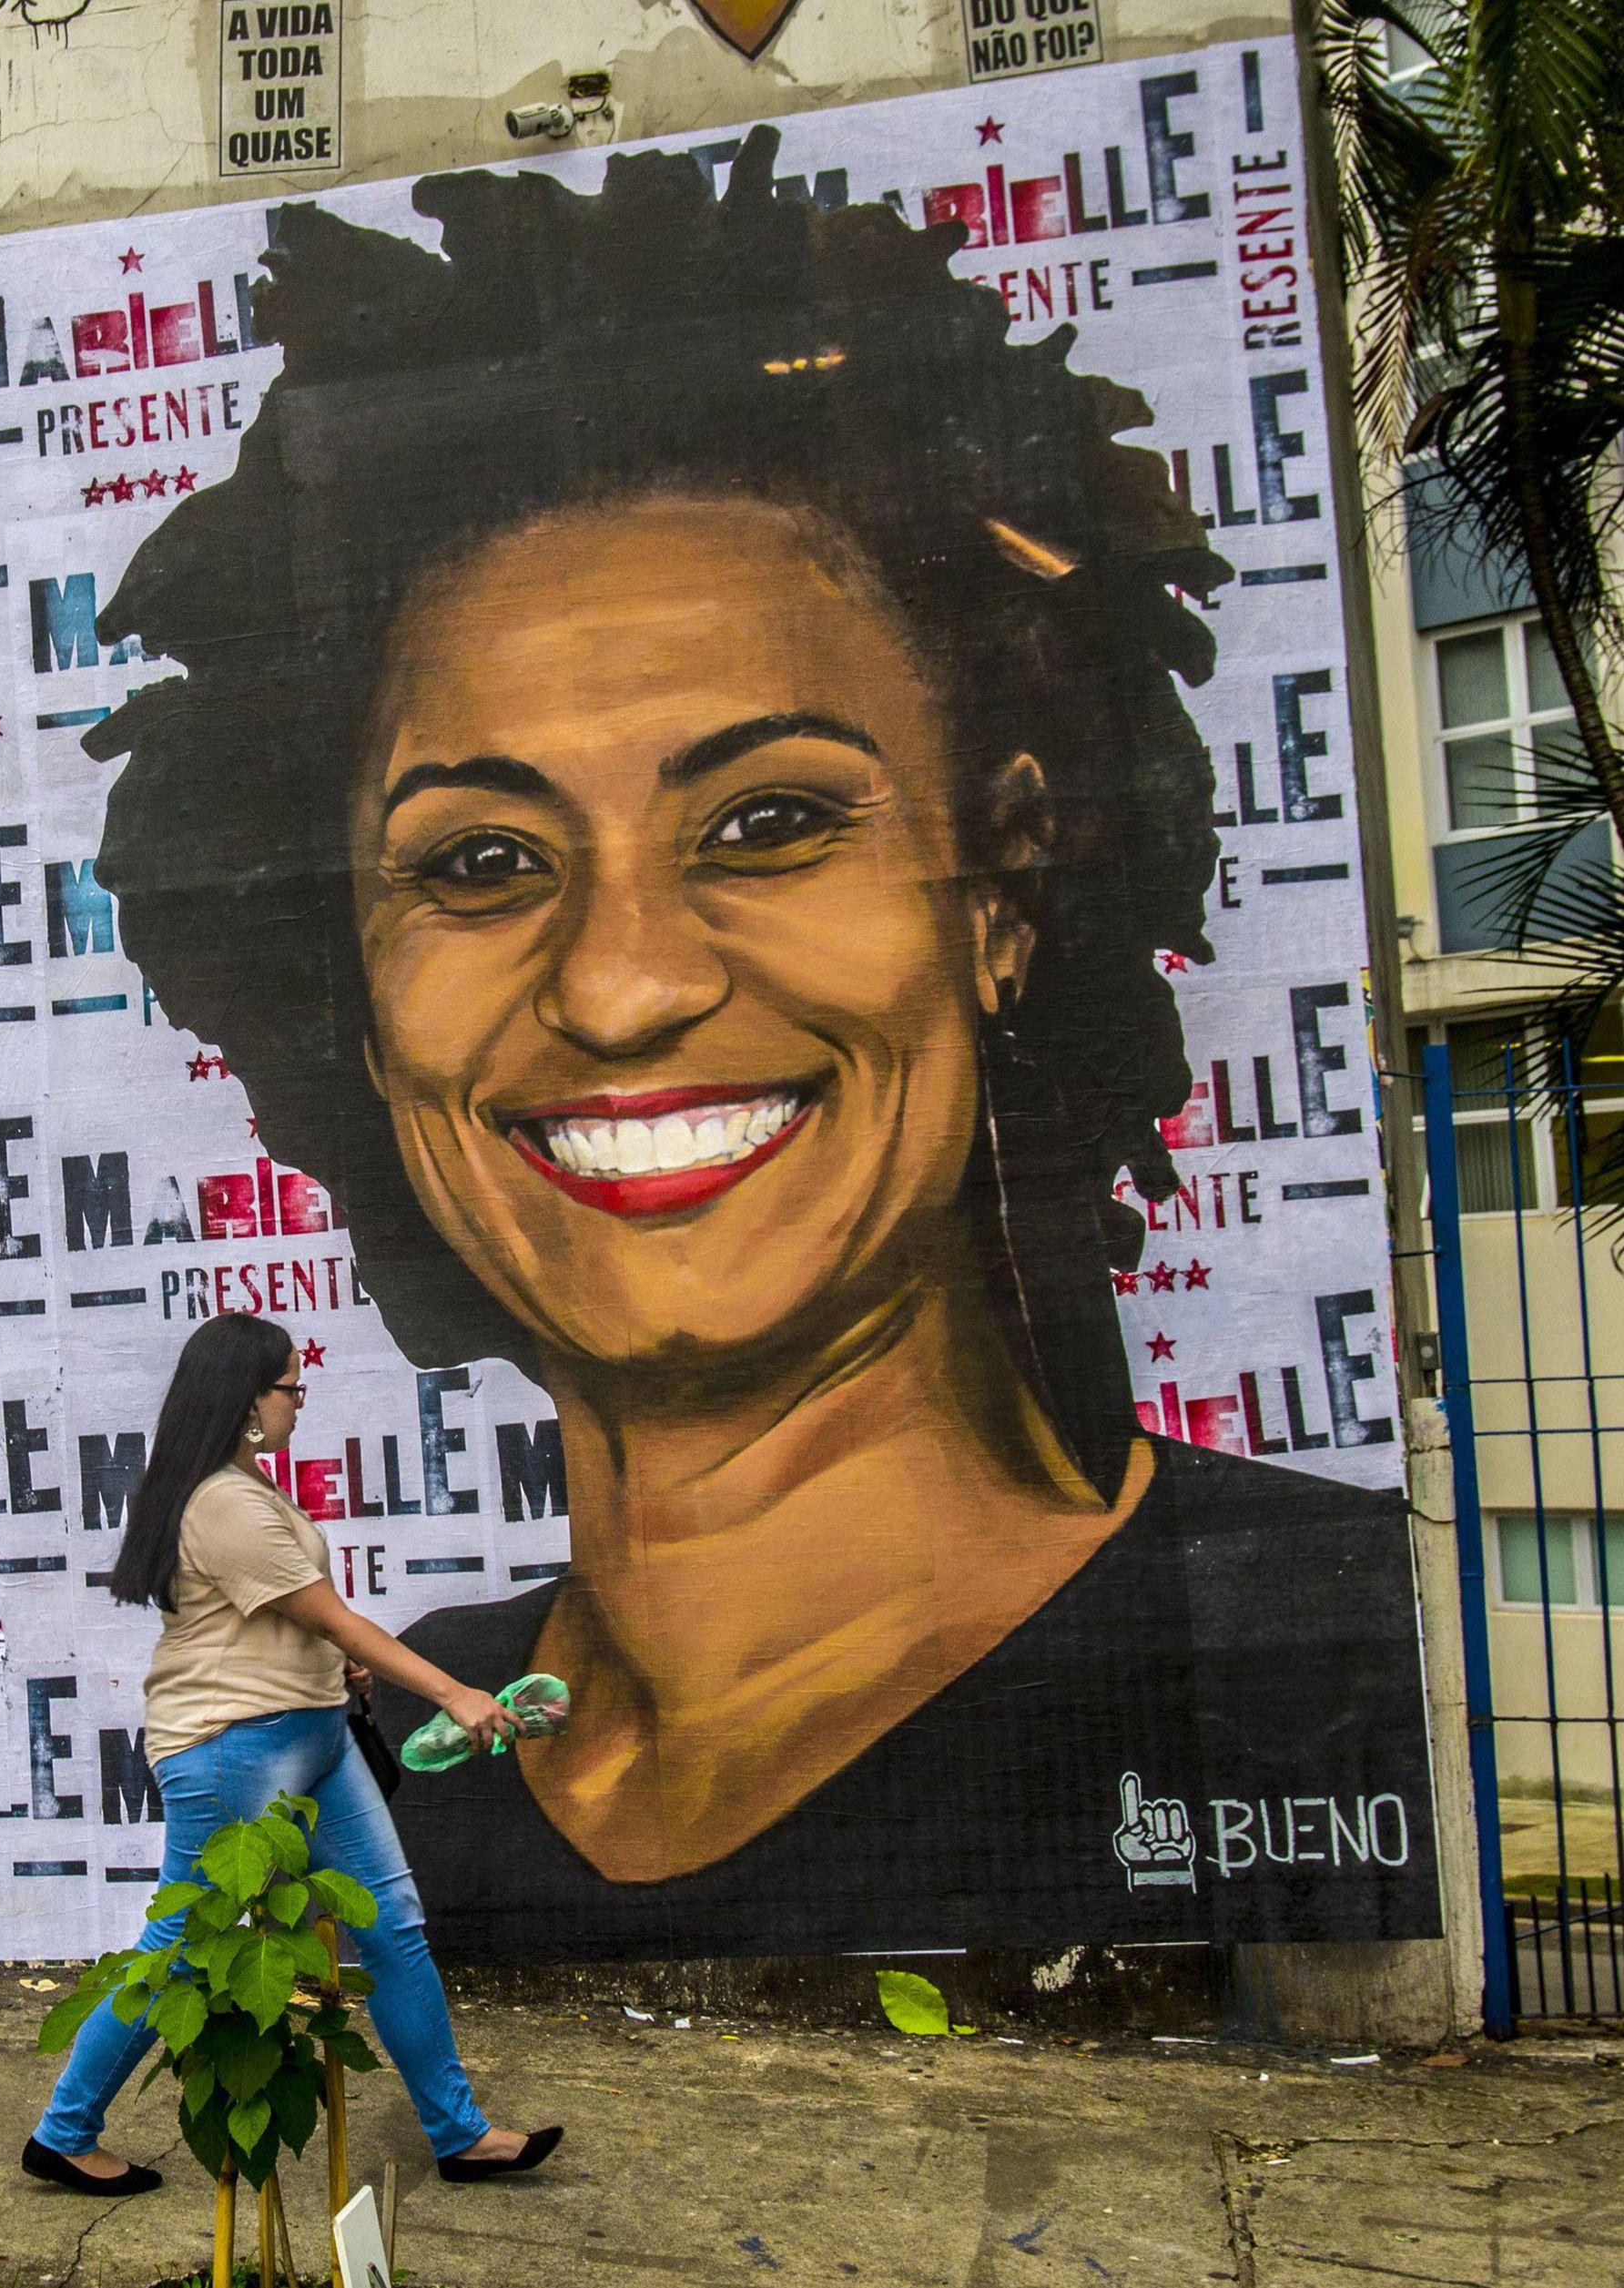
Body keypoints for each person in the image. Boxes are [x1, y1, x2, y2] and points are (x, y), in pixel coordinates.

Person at [80, 128, 1437, 1958]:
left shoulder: (1315, 1653)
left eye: (769, 820)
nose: (620, 985)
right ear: (349, 986)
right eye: (481, 862)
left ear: (1000, 891)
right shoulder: (374, 1776)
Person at [23, 1312, 562, 2195]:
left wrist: (329, 1666)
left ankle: (459, 2133)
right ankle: (63, 2129)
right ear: (246, 1398)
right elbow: (330, 1611)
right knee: (185, 1946)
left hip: (313, 1736)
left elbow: (293, 1623)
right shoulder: (224, 1501)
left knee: (392, 1928)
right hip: (236, 1749)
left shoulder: (245, 1485)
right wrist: (454, 1692)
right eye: (290, 1387)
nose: (299, 1403)